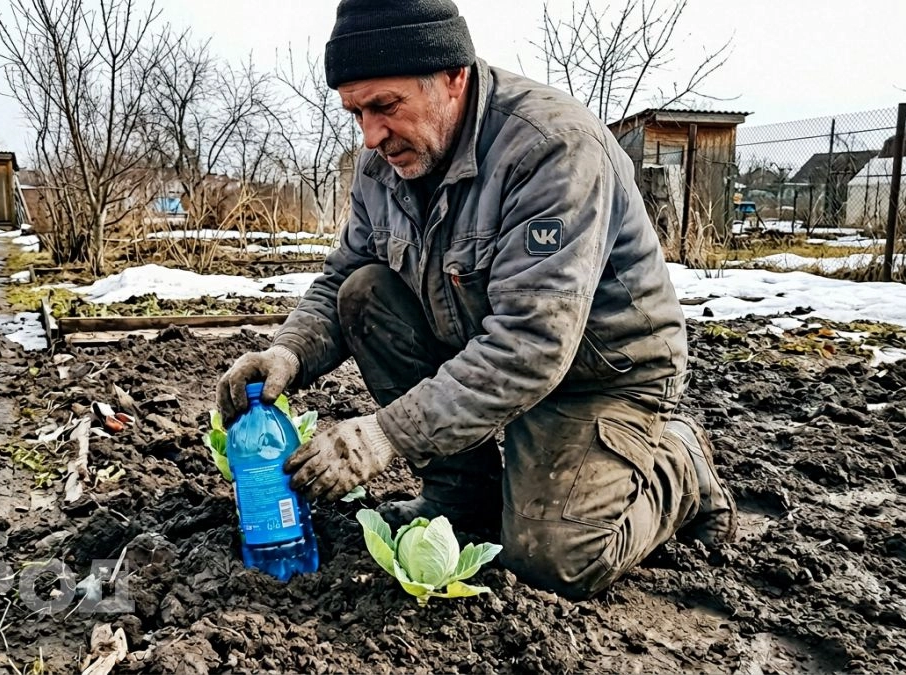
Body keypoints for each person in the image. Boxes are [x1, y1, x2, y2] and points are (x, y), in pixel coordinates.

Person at [215, 0, 737, 601]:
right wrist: (288, 353)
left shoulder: (550, 149)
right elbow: (345, 277)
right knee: (365, 294)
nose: (371, 135)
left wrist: (383, 435)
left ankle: (679, 464)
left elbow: (533, 343)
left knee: (553, 558)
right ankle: (461, 495)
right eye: (356, 112)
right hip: (484, 348)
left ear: (453, 77)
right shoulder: (383, 163)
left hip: (600, 376)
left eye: (386, 106)